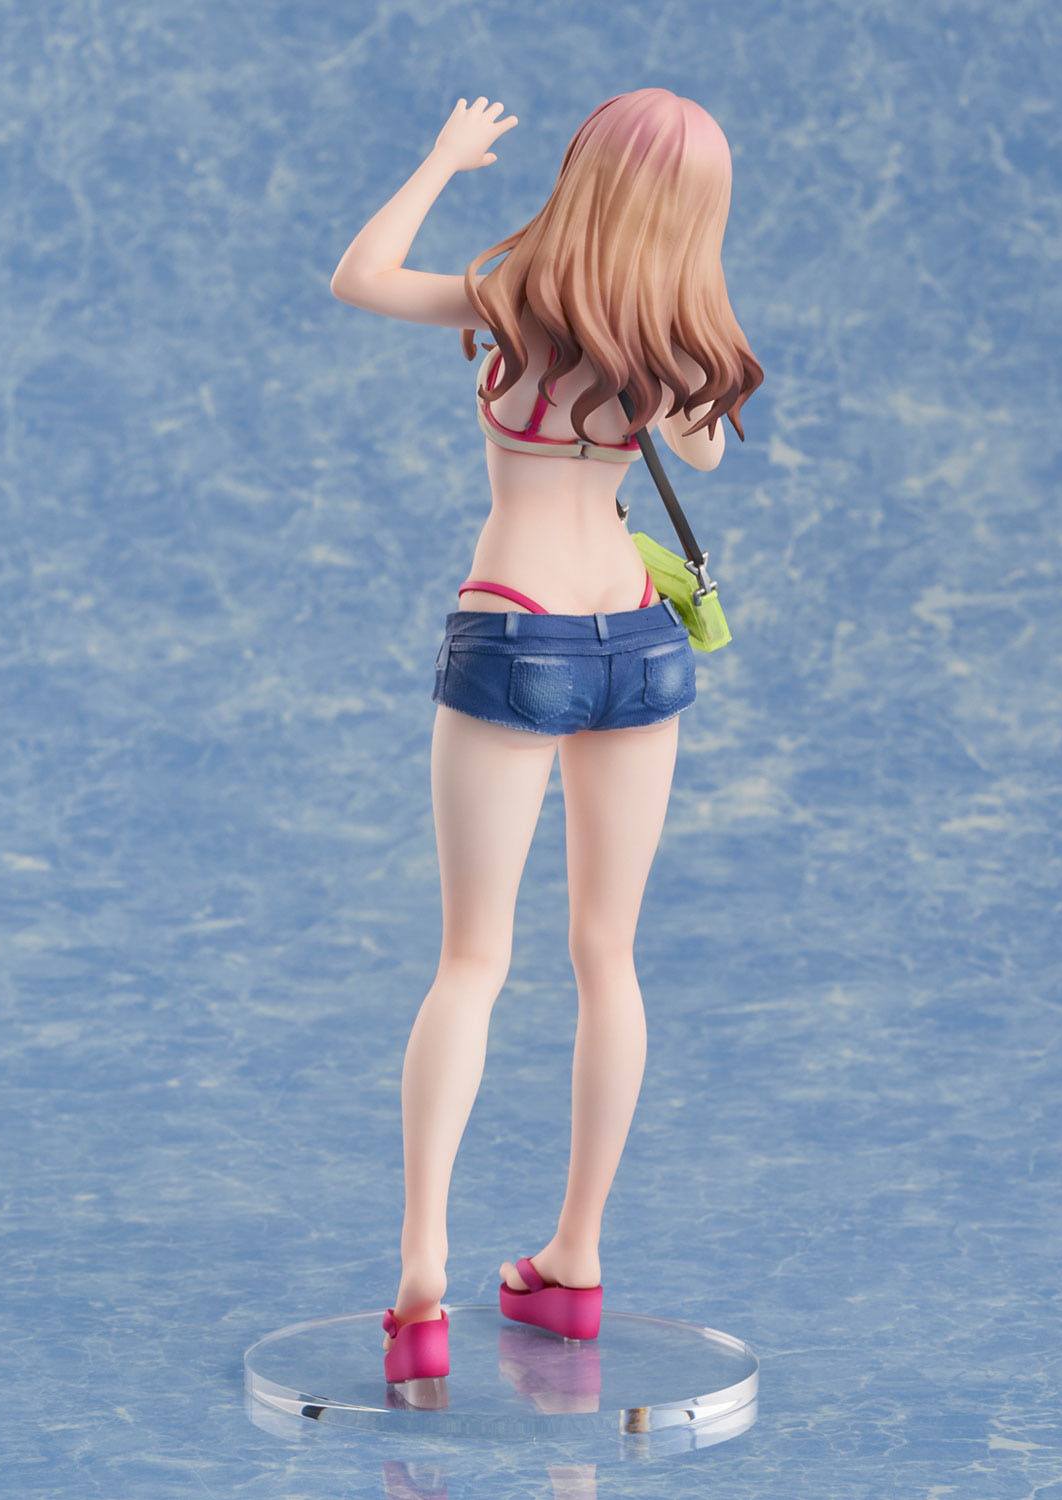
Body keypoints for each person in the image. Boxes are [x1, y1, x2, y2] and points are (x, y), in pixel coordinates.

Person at [331, 87, 762, 1382]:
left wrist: (443, 159)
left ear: (581, 173)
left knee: (472, 960)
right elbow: (704, 454)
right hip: (635, 636)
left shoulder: (511, 296)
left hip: (515, 626)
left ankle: (421, 1267)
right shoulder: (677, 337)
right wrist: (674, 311)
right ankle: (575, 1258)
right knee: (607, 957)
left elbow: (361, 277)